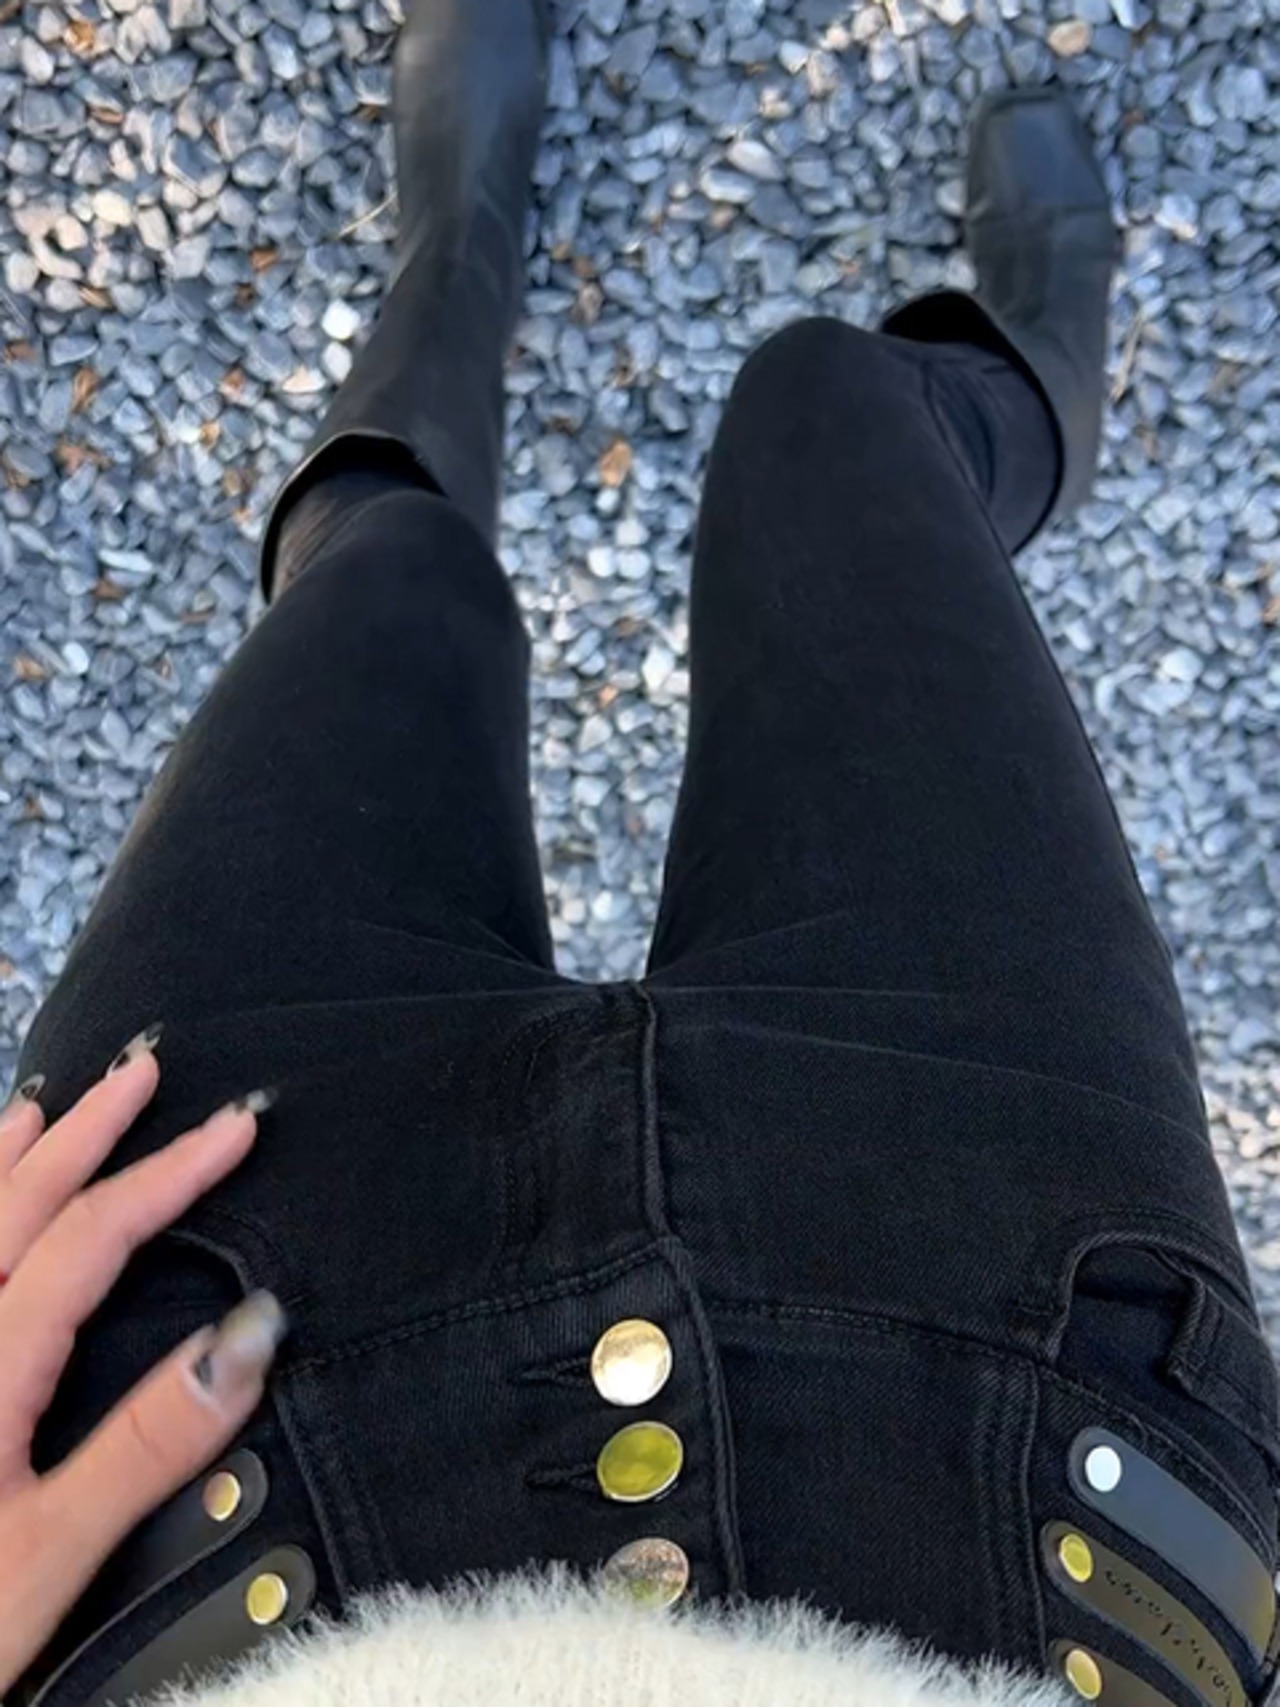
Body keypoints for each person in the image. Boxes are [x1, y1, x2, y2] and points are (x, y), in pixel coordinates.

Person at [3, 1, 1279, 1703]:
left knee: (379, 584)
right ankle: (1002, 411)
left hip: (205, 1501)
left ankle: (453, 265)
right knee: (834, 416)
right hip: (1034, 1492)